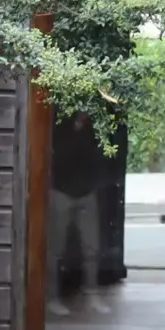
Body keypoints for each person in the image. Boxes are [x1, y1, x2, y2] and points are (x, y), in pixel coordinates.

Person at [47, 111, 109, 316]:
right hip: (61, 190)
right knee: (55, 249)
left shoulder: (94, 123)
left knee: (92, 247)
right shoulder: (57, 119)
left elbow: (100, 153)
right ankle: (51, 298)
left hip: (87, 191)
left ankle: (91, 294)